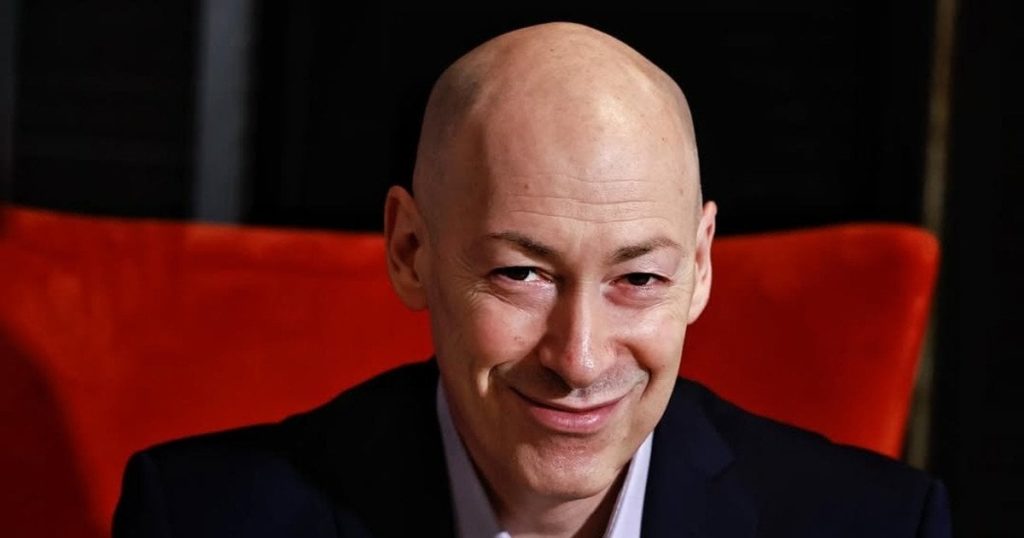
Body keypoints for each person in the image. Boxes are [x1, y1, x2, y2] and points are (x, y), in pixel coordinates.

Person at [113, 22, 951, 537]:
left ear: (700, 266)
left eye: (638, 279)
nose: (580, 358)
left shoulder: (878, 525)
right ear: (410, 250)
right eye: (521, 273)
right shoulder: (200, 517)